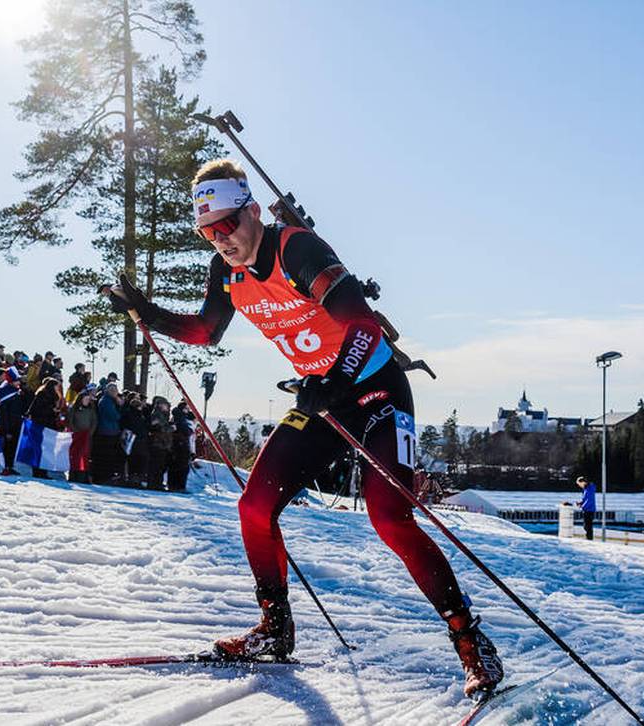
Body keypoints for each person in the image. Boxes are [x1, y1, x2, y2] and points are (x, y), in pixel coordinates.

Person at [105, 158, 503, 696]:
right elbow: (206, 331)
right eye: (207, 231)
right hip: (324, 399)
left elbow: (361, 323)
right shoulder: (226, 272)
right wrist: (149, 314)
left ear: (250, 211)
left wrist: (336, 379)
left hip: (377, 389)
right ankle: (275, 629)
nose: (220, 240)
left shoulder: (296, 249)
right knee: (254, 505)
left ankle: (469, 642)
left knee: (389, 516)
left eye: (226, 225)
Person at [67, 389, 98, 483]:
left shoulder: (91, 410)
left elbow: (94, 422)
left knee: (85, 456)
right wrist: (75, 431)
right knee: (75, 456)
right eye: (86, 399)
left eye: (88, 399)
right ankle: (73, 475)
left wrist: (90, 433)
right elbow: (70, 421)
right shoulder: (74, 408)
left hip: (86, 437)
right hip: (76, 436)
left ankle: (83, 476)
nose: (87, 401)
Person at [576, 476, 597, 541]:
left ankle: (589, 538)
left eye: (579, 484)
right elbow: (585, 499)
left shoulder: (589, 489)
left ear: (583, 482)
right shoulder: (586, 489)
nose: (579, 486)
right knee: (586, 525)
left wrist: (582, 506)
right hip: (587, 509)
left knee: (588, 526)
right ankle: (588, 538)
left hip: (589, 509)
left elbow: (589, 500)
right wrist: (580, 503)